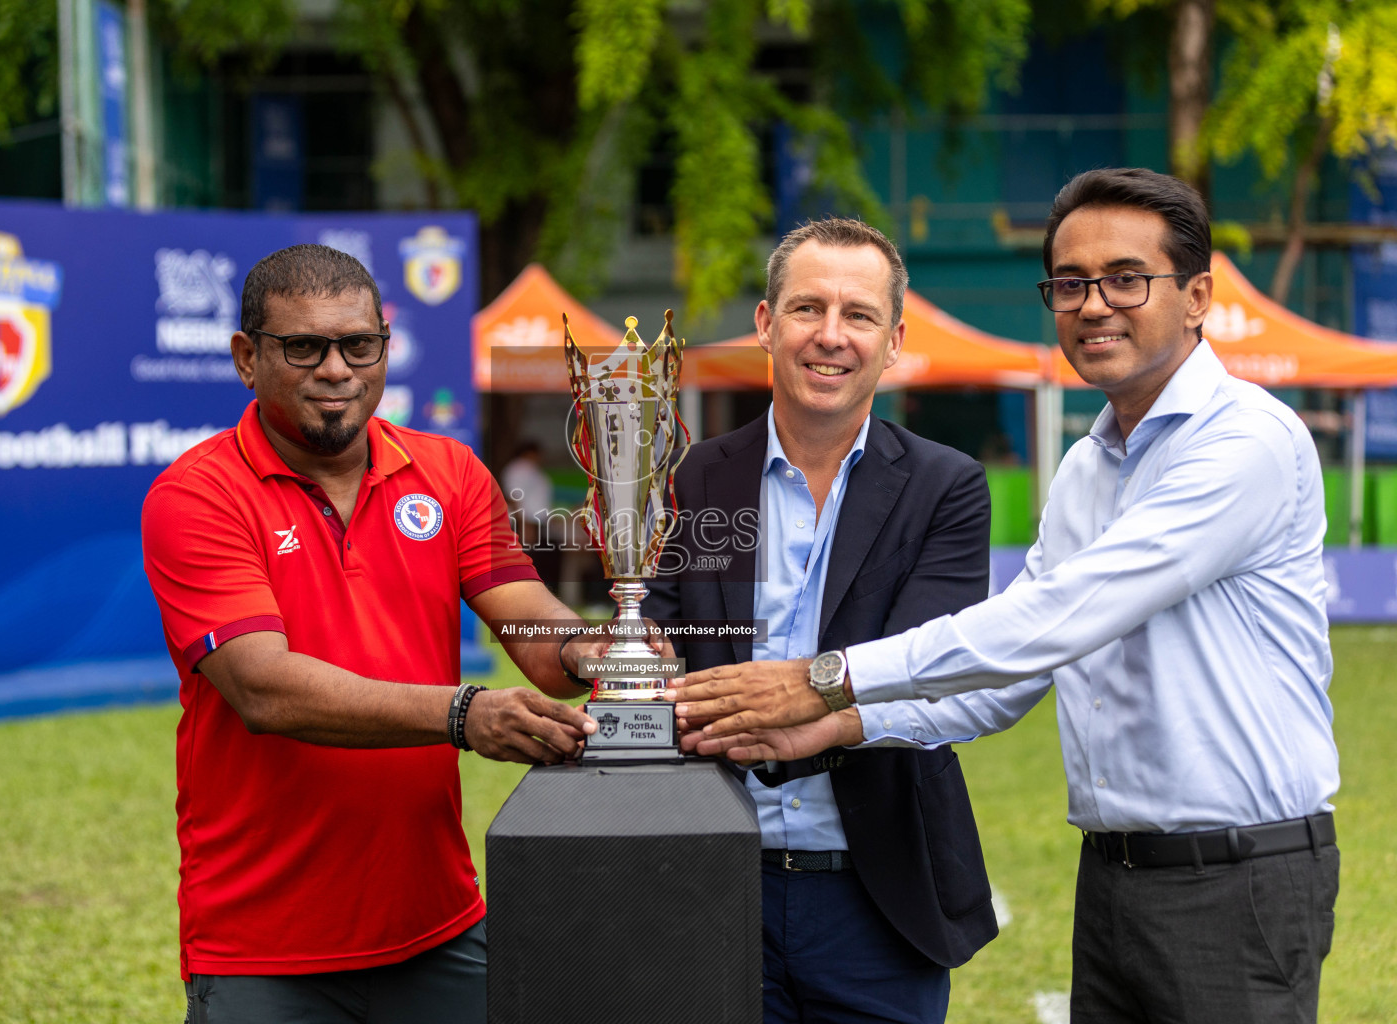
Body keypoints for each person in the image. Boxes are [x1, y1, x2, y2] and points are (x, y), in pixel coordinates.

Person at [670, 170, 1340, 1024]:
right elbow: (1007, 681)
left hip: (1239, 878)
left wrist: (825, 678)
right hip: (1115, 876)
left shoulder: (1246, 441)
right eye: (1070, 284)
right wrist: (843, 724)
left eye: (1127, 279)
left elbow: (1057, 617)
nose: (1095, 305)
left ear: (1198, 295)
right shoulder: (1090, 465)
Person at [141, 244, 614, 1024]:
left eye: (359, 345)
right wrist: (462, 714)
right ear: (245, 358)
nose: (337, 369)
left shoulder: (449, 472)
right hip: (264, 947)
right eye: (305, 347)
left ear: (384, 347)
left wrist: (589, 647)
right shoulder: (199, 496)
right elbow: (264, 688)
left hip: (438, 928)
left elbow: (529, 623)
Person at [643, 217, 1047, 1024]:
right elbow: (655, 635)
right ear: (766, 323)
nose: (831, 337)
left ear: (894, 340)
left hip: (879, 892)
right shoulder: (691, 475)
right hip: (713, 880)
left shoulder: (947, 487)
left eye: (858, 315)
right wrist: (637, 665)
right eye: (807, 309)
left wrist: (809, 713)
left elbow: (931, 673)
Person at [500, 439, 560, 586]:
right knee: (525, 561)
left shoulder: (533, 471)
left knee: (541, 562)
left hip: (536, 522)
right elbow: (514, 496)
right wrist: (523, 523)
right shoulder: (519, 468)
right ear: (530, 453)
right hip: (526, 522)